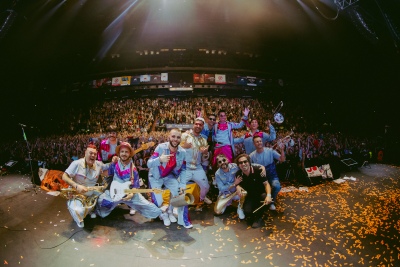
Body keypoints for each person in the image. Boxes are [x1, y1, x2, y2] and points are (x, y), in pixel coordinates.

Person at [96, 142, 169, 225]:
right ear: (119, 153)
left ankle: (161, 213)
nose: (124, 154)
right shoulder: (115, 163)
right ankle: (99, 213)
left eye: (126, 152)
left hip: (129, 194)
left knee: (146, 205)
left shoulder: (133, 169)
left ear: (130, 153)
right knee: (101, 201)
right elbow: (106, 173)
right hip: (115, 192)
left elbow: (135, 186)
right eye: (122, 151)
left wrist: (131, 194)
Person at [147, 128, 193, 229]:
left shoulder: (182, 152)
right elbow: (149, 164)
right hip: (155, 177)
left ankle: (172, 213)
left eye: (178, 137)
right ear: (168, 137)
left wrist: (182, 185)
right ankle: (163, 215)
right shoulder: (160, 148)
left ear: (180, 139)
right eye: (173, 136)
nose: (175, 139)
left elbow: (184, 169)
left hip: (169, 176)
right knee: (158, 202)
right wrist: (159, 159)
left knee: (179, 194)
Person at [62, 144, 116, 228]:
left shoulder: (99, 164)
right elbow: (64, 176)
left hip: (92, 194)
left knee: (109, 202)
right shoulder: (76, 163)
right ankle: (79, 216)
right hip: (78, 194)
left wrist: (114, 161)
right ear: (85, 153)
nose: (93, 155)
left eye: (95, 154)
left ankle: (93, 210)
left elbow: (108, 166)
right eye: (90, 153)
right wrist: (76, 186)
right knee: (78, 211)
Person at [214, 154, 266, 219]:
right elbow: (221, 188)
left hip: (237, 191)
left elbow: (247, 165)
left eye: (224, 160)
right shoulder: (217, 174)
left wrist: (262, 166)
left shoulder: (235, 166)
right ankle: (228, 203)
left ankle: (240, 207)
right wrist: (234, 184)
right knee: (217, 211)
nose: (222, 163)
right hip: (226, 194)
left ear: (227, 160)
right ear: (218, 165)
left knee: (244, 192)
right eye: (220, 162)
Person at [180, 117, 212, 211]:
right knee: (179, 188)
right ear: (193, 124)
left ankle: (200, 200)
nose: (198, 126)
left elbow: (204, 159)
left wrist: (205, 153)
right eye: (196, 124)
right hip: (185, 168)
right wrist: (183, 146)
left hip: (197, 167)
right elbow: (174, 148)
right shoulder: (184, 136)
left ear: (203, 127)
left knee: (206, 187)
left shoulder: (203, 140)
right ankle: (178, 206)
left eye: (200, 125)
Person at [234, 154, 272, 228]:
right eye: (241, 163)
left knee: (265, 198)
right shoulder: (238, 174)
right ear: (238, 165)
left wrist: (269, 196)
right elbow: (237, 184)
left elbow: (266, 184)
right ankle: (256, 210)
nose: (243, 164)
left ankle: (258, 217)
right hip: (250, 195)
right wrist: (237, 186)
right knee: (247, 211)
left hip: (261, 193)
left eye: (245, 161)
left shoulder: (258, 170)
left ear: (249, 162)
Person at [249, 136, 285, 211]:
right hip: (260, 177)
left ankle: (271, 202)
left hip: (272, 175)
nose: (259, 143)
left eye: (260, 141)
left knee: (277, 186)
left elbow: (282, 160)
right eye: (257, 142)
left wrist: (282, 150)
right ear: (254, 144)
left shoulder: (270, 151)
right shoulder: (251, 156)